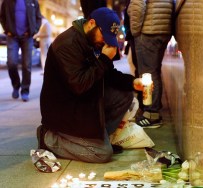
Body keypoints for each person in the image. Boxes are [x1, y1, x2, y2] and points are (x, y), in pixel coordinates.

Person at [37, 7, 144, 163]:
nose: (104, 41)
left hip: (83, 101)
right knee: (102, 154)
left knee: (124, 95)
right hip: (64, 110)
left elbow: (108, 74)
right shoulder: (67, 45)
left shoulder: (92, 41)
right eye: (104, 35)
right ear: (91, 23)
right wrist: (104, 60)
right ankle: (49, 139)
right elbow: (79, 85)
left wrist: (133, 82)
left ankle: (97, 140)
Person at [127, 0, 174, 128]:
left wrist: (135, 31)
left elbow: (138, 4)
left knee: (147, 73)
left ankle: (151, 114)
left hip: (148, 29)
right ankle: (152, 111)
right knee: (154, 71)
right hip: (163, 27)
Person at [0, 0, 42, 102]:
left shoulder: (33, 1)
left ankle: (25, 91)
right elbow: (2, 16)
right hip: (12, 37)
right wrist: (7, 30)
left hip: (27, 37)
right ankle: (16, 86)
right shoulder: (7, 1)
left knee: (27, 65)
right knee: (11, 63)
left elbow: (38, 18)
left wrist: (34, 30)